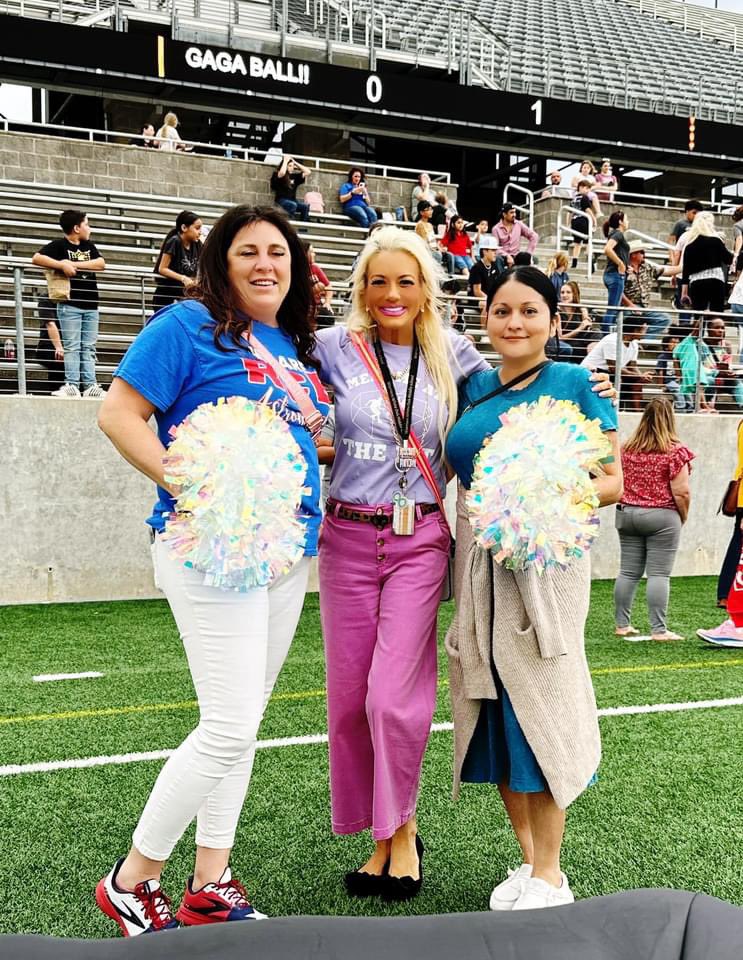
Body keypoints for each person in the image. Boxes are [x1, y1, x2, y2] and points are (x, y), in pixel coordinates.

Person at [94, 205, 329, 936]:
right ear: (221, 261)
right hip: (210, 545)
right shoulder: (186, 324)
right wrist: (195, 483)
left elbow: (296, 436)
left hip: (286, 549)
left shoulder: (289, 344)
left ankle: (210, 882)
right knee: (227, 726)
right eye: (248, 252)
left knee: (243, 724)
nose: (265, 264)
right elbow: (120, 415)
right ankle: (132, 880)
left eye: (278, 253)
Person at [312, 226, 490, 901]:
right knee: (350, 702)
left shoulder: (453, 351)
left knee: (393, 697)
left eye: (405, 281)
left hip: (419, 541)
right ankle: (378, 838)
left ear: (424, 291)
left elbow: (503, 401)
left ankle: (404, 832)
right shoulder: (332, 347)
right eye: (378, 280)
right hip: (346, 540)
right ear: (361, 286)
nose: (390, 294)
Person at [445, 265, 622, 912]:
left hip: (545, 564)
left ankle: (550, 873)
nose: (513, 322)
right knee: (490, 709)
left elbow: (610, 482)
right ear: (484, 317)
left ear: (552, 319)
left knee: (537, 701)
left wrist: (537, 498)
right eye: (500, 310)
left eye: (527, 311)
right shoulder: (472, 387)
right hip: (479, 564)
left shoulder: (574, 382)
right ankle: (527, 861)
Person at [613, 398, 694, 642]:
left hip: (627, 513)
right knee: (659, 574)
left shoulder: (626, 448)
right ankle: (659, 630)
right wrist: (683, 517)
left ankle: (622, 625)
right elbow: (682, 492)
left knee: (627, 572)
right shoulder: (676, 452)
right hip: (662, 515)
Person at [31, 209, 107, 399]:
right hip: (70, 303)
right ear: (76, 228)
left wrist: (74, 265)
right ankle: (72, 383)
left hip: (91, 303)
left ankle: (90, 385)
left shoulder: (88, 246)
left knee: (88, 346)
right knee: (72, 345)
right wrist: (61, 264)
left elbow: (101, 263)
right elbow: (37, 258)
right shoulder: (59, 245)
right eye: (87, 224)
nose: (89, 228)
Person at [582, 315, 651, 411]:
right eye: (644, 330)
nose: (645, 333)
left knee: (637, 382)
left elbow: (632, 366)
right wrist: (640, 376)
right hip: (594, 371)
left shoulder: (634, 344)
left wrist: (642, 376)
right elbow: (613, 368)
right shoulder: (612, 340)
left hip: (611, 373)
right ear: (635, 330)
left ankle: (637, 412)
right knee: (628, 379)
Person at [679, 211, 732, 314]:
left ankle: (699, 329)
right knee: (716, 315)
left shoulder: (690, 246)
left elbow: (686, 271)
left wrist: (684, 293)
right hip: (716, 281)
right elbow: (728, 259)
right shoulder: (716, 241)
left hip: (697, 282)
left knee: (699, 316)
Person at [621, 241, 678, 337]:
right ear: (633, 255)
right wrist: (630, 305)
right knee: (629, 322)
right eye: (642, 252)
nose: (644, 254)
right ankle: (633, 338)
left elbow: (666, 270)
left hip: (644, 307)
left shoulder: (647, 267)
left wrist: (683, 267)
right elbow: (618, 291)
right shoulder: (623, 268)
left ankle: (640, 339)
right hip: (627, 306)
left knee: (664, 319)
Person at [152, 210, 203, 312]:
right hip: (166, 293)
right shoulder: (174, 241)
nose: (200, 232)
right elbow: (162, 269)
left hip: (185, 294)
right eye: (197, 228)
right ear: (184, 228)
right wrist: (183, 278)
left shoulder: (197, 244)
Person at [601, 210, 630, 333]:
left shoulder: (615, 234)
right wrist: (620, 263)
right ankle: (606, 334)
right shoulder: (618, 234)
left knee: (614, 307)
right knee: (613, 308)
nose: (628, 222)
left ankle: (609, 333)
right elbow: (607, 249)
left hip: (612, 274)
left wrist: (626, 266)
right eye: (626, 219)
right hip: (615, 275)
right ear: (620, 222)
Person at [32, 297, 65, 394]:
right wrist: (59, 347)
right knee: (58, 358)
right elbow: (50, 324)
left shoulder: (72, 300)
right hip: (47, 347)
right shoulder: (45, 299)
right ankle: (56, 393)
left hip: (68, 346)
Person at [558, 281, 595, 363]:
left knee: (596, 333)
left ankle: (591, 363)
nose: (564, 295)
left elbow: (587, 324)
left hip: (581, 340)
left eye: (568, 292)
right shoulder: (557, 312)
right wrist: (580, 328)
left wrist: (587, 321)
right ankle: (589, 364)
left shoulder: (581, 309)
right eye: (562, 292)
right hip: (566, 342)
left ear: (574, 294)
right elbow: (560, 337)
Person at [569, 180, 600, 270]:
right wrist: (594, 220)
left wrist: (568, 223)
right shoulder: (584, 197)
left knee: (577, 243)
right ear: (581, 187)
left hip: (575, 222)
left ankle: (574, 263)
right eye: (586, 188)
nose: (587, 191)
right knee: (587, 242)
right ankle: (591, 263)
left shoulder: (574, 199)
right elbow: (587, 210)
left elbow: (570, 212)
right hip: (583, 221)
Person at [469, 236, 501, 324]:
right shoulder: (476, 268)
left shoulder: (494, 266)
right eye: (493, 250)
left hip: (490, 298)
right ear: (485, 251)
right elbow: (477, 291)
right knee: (487, 305)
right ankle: (483, 334)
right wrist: (490, 299)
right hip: (476, 299)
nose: (495, 253)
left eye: (496, 251)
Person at [655, 332, 690, 411]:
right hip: (669, 382)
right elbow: (660, 372)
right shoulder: (663, 357)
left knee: (686, 389)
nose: (676, 345)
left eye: (678, 343)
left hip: (679, 381)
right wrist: (661, 385)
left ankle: (690, 406)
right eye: (673, 343)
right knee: (677, 389)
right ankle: (681, 407)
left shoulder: (680, 356)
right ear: (666, 346)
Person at [270, 155, 312, 222]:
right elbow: (282, 172)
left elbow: (308, 171)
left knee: (305, 206)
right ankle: (290, 222)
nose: (291, 168)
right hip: (281, 200)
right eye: (289, 166)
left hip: (293, 200)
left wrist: (295, 162)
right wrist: (285, 161)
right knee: (293, 205)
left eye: (292, 166)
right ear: (285, 165)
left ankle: (304, 226)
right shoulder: (277, 174)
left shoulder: (295, 176)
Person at [731, 206, 743, 277]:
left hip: (742, 255)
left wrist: (735, 256)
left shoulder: (738, 225)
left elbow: (739, 239)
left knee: (739, 280)